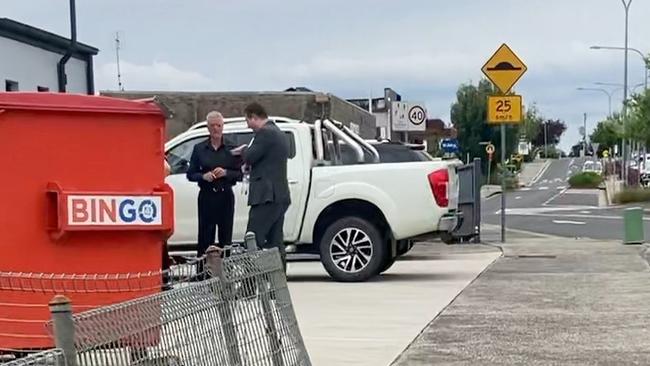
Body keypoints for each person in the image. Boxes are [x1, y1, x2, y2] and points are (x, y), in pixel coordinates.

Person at [232, 102, 291, 270]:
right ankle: (278, 286)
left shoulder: (264, 134)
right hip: (279, 195)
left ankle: (248, 286)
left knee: (252, 239)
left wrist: (243, 150)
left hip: (266, 196)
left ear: (254, 117)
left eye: (247, 121)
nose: (247, 126)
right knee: (275, 242)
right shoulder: (278, 133)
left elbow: (251, 156)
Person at [187, 111, 242, 258]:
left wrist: (226, 173)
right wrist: (203, 176)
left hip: (225, 196)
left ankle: (226, 272)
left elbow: (240, 174)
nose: (216, 129)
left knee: (226, 237)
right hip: (207, 196)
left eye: (219, 125)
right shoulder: (199, 149)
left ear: (223, 126)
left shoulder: (232, 148)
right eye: (213, 125)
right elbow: (190, 174)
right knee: (205, 237)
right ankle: (203, 273)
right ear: (208, 127)